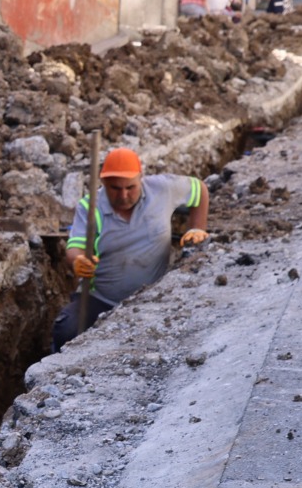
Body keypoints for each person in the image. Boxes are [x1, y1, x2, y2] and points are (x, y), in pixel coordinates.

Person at [53, 147, 208, 349]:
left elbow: (199, 190)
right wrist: (78, 261)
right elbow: (76, 246)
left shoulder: (162, 189)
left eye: (130, 187)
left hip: (154, 297)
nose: (124, 195)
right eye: (115, 188)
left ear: (140, 178)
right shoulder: (90, 207)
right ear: (103, 183)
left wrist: (197, 228)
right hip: (101, 299)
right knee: (66, 329)